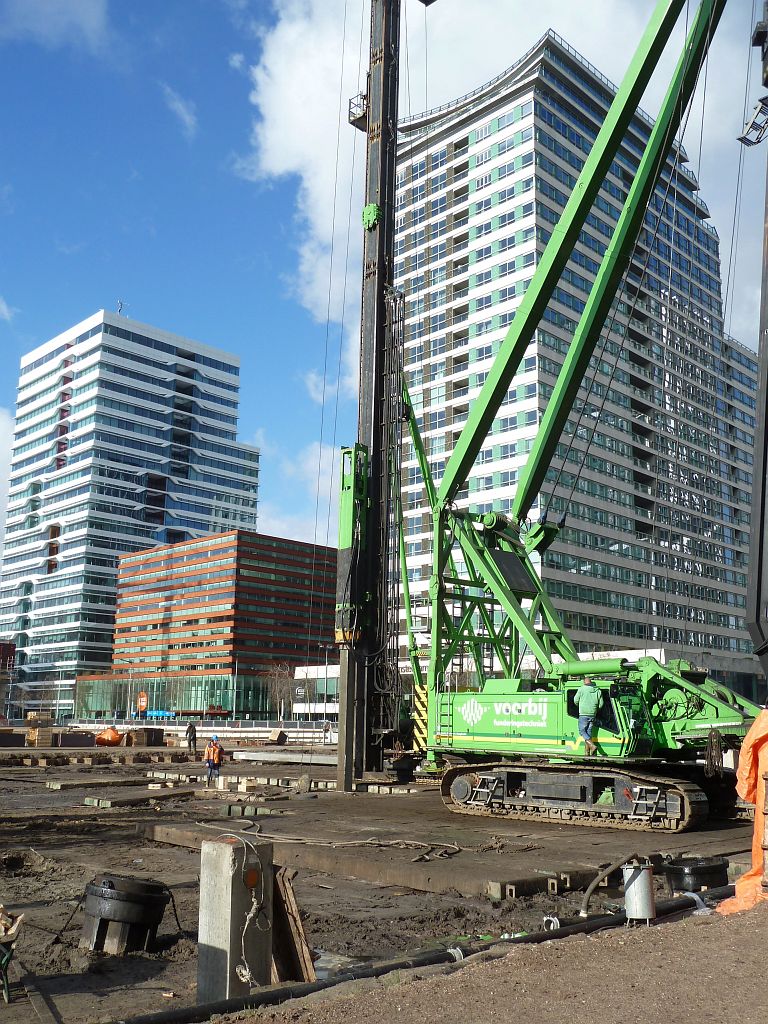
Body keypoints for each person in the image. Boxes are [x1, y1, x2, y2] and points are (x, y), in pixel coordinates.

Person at [574, 676, 603, 755]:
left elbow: (575, 700)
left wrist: (580, 706)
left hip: (583, 714)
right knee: (589, 733)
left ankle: (592, 746)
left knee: (582, 731)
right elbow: (601, 704)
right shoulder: (598, 690)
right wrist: (595, 709)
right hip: (593, 714)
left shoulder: (581, 689)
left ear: (584, 683)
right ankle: (587, 753)